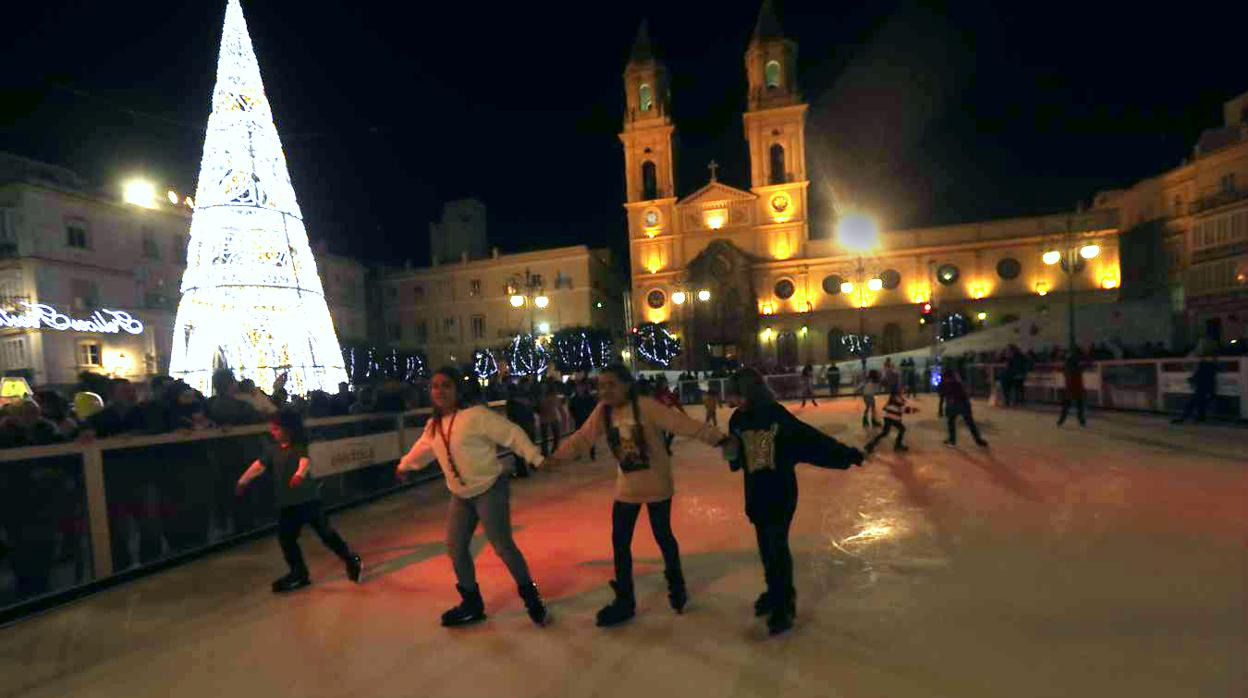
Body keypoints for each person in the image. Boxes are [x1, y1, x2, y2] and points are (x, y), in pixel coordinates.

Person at [552, 364, 733, 627]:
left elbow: (682, 424)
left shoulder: (647, 407)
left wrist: (719, 438)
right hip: (627, 488)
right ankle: (625, 600)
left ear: (627, 384)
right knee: (620, 543)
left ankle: (676, 586)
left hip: (657, 484)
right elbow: (582, 438)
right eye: (601, 386)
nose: (605, 391)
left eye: (611, 384)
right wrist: (556, 458)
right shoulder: (603, 411)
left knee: (662, 536)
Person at [395, 367, 550, 627]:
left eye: (446, 385)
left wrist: (535, 457)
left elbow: (511, 433)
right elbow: (421, 450)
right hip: (461, 495)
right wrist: (404, 465)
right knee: (456, 548)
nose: (440, 391)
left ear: (457, 390)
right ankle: (472, 603)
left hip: (490, 488)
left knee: (502, 545)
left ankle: (531, 598)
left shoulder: (476, 416)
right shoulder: (434, 426)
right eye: (435, 386)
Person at [724, 368, 865, 635]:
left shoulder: (776, 416)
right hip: (755, 492)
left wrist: (846, 455)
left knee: (776, 546)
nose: (733, 400)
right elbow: (737, 457)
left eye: (737, 394)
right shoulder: (737, 419)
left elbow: (811, 441)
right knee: (765, 547)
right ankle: (773, 590)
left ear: (750, 392)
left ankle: (784, 603)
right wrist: (731, 454)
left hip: (780, 493)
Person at [235, 410, 362, 593]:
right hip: (287, 504)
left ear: (289, 430)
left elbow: (304, 462)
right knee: (287, 539)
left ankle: (349, 559)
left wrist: (299, 475)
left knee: (325, 533)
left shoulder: (299, 447)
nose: (273, 432)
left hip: (308, 500)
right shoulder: (273, 450)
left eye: (276, 429)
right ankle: (298, 572)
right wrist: (243, 480)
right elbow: (258, 466)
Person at [939, 368, 988, 447]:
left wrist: (942, 408)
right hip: (963, 404)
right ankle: (978, 440)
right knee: (970, 423)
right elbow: (964, 395)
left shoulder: (947, 384)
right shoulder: (958, 383)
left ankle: (952, 440)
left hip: (955, 405)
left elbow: (944, 396)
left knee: (952, 422)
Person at [865, 385, 917, 453]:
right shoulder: (897, 398)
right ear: (897, 391)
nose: (903, 390)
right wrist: (913, 411)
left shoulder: (894, 398)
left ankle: (871, 445)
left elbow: (886, 407)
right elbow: (902, 409)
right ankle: (897, 445)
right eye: (901, 389)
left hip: (888, 417)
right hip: (893, 418)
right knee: (902, 429)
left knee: (885, 432)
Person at [1172, 355, 1218, 424]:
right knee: (1200, 403)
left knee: (1193, 403)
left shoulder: (1204, 367)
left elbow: (1197, 377)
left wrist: (1191, 379)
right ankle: (1199, 417)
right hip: (1207, 389)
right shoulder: (1209, 367)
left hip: (1202, 388)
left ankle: (1184, 418)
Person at [568, 379, 598, 460]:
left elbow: (593, 407)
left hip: (587, 418)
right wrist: (574, 416)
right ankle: (578, 453)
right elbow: (571, 408)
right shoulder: (574, 398)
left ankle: (592, 453)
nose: (580, 388)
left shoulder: (589, 396)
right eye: (578, 387)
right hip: (579, 419)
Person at [1057, 350, 1088, 427]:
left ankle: (1061, 420)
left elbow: (1065, 373)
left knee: (1067, 406)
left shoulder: (1067, 367)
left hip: (1070, 389)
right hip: (1076, 388)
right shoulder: (1077, 367)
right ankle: (1081, 420)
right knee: (1079, 406)